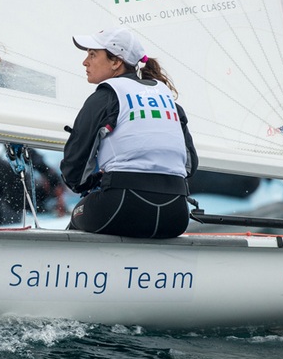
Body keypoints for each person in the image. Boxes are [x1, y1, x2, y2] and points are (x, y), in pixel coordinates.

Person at [60, 27, 198, 238]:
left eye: (92, 54)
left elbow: (75, 168)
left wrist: (90, 183)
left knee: (79, 213)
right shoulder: (167, 99)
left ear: (116, 62)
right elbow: (190, 165)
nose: (85, 62)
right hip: (176, 215)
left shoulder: (105, 97)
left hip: (123, 207)